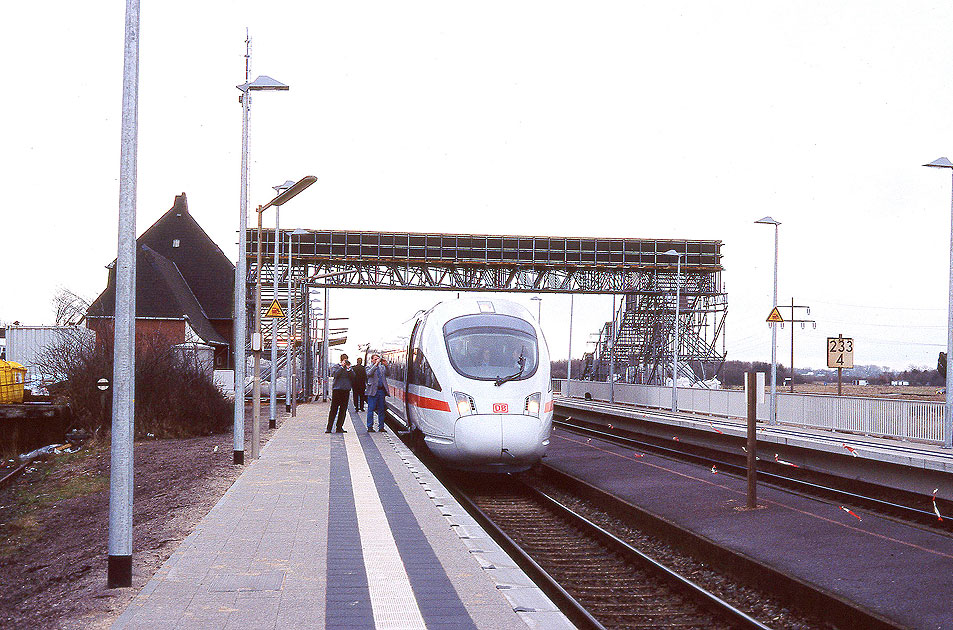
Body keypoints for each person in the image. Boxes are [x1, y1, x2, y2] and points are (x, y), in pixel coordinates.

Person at [326, 354, 353, 433]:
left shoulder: (349, 368)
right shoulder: (336, 367)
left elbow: (353, 376)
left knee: (343, 410)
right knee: (333, 409)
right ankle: (329, 427)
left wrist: (349, 369)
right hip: (337, 390)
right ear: (341, 360)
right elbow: (335, 374)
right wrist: (342, 367)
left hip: (346, 390)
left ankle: (339, 427)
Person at [365, 353, 388, 432]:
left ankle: (381, 427)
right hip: (372, 391)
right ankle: (370, 427)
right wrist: (376, 365)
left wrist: (387, 366)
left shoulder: (382, 368)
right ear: (372, 360)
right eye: (375, 359)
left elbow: (388, 374)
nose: (377, 360)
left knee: (381, 410)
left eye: (378, 359)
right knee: (371, 409)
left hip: (381, 391)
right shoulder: (368, 367)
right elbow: (369, 373)